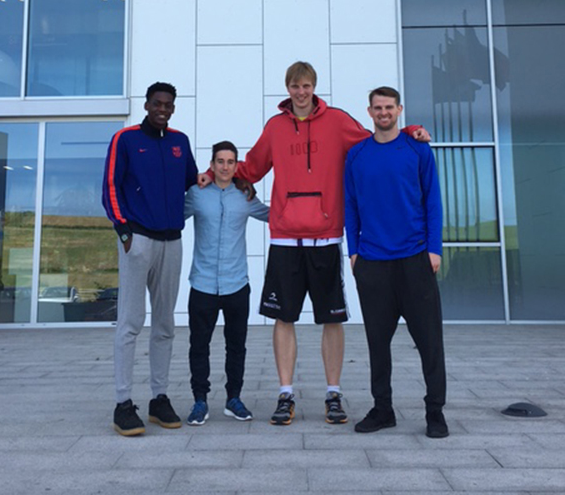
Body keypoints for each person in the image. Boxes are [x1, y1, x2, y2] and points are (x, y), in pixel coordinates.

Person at [199, 61, 430, 426]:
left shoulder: (337, 121)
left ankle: (333, 394)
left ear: (314, 87)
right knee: (283, 317)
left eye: (306, 85)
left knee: (331, 319)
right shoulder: (276, 127)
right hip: (285, 239)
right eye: (295, 86)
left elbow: (376, 139)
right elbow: (251, 167)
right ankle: (285, 394)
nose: (301, 92)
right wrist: (212, 172)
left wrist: (409, 130)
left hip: (326, 237)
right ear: (288, 89)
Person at [344, 86, 448, 439]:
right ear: (369, 112)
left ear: (399, 110)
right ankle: (383, 409)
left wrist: (434, 249)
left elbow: (432, 200)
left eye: (389, 107)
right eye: (378, 108)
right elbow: (350, 205)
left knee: (430, 342)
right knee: (377, 344)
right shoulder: (357, 155)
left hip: (415, 259)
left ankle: (435, 412)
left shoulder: (417, 149)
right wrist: (354, 253)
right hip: (373, 262)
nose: (384, 112)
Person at [102, 82, 198, 437]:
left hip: (172, 241)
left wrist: (231, 183)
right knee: (130, 322)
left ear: (173, 108)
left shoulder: (179, 142)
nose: (163, 109)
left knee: (165, 324)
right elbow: (110, 187)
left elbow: (193, 183)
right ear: (146, 105)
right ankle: (123, 403)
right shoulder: (125, 139)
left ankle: (159, 398)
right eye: (157, 103)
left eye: (168, 104)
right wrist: (124, 232)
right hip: (138, 240)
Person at [183, 141, 269, 426]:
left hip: (236, 285)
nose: (224, 167)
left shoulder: (244, 195)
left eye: (230, 162)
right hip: (203, 284)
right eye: (220, 161)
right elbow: (171, 217)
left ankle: (234, 399)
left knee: (237, 346)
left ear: (236, 165)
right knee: (199, 345)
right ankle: (200, 401)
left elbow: (273, 216)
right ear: (212, 164)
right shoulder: (196, 194)